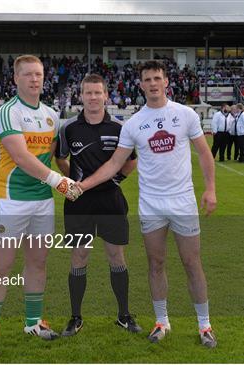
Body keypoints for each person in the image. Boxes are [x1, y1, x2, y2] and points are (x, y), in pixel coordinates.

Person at [77, 60, 218, 348]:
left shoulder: (185, 114)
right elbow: (116, 163)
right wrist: (84, 185)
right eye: (147, 79)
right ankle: (161, 321)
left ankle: (205, 325)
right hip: (151, 205)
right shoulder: (134, 124)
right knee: (156, 263)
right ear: (140, 85)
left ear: (166, 82)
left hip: (183, 202)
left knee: (192, 263)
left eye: (157, 78)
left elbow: (204, 152)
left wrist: (211, 189)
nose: (153, 83)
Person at [0, 55, 82, 358]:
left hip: (42, 202)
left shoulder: (51, 114)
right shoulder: (8, 112)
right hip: (11, 200)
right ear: (16, 78)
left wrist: (74, 179)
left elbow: (52, 157)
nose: (34, 79)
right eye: (27, 75)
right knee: (0, 266)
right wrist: (60, 182)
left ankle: (33, 323)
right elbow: (22, 158)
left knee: (38, 262)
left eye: (38, 74)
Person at [55, 74, 140, 337]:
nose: (93, 97)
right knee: (79, 257)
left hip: (111, 201)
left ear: (106, 95)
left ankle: (124, 315)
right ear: (81, 95)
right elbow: (60, 158)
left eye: (97, 93)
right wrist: (75, 183)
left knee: (116, 256)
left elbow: (131, 162)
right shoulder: (68, 128)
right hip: (79, 203)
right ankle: (76, 317)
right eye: (88, 93)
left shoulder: (119, 127)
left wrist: (114, 181)